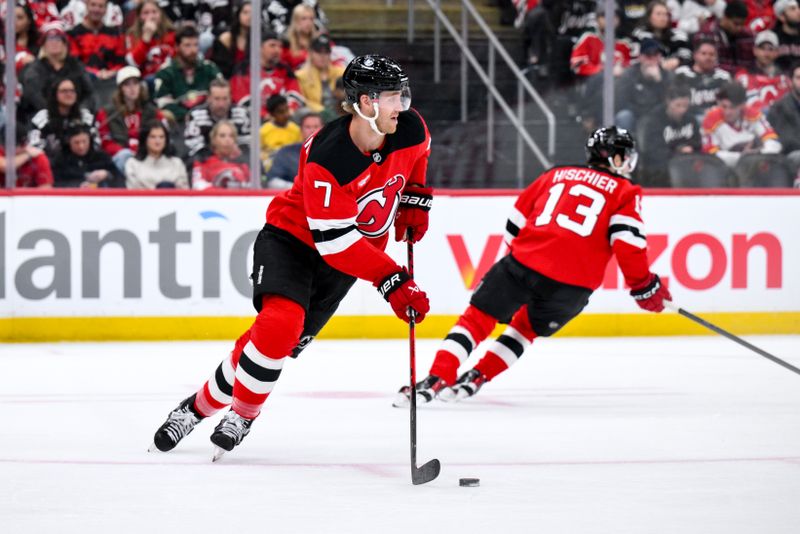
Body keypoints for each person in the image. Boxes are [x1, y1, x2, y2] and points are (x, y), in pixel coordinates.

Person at [150, 54, 433, 457]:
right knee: (281, 324)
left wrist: (415, 200)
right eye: (392, 97)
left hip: (349, 261)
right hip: (295, 241)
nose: (402, 105)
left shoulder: (408, 127)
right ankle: (244, 414)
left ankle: (193, 409)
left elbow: (421, 153)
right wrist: (392, 279)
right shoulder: (327, 156)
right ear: (367, 103)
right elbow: (336, 243)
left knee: (270, 343)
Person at [395, 126, 671, 406]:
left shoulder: (554, 175)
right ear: (612, 156)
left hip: (524, 263)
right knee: (525, 330)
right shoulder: (625, 191)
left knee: (477, 319)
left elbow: (516, 219)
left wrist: (518, 260)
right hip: (574, 287)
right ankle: (479, 376)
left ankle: (437, 376)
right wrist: (643, 285)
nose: (628, 163)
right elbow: (628, 242)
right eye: (624, 155)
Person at [96, 66, 166, 174]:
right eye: (127, 84)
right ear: (120, 89)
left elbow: (164, 133)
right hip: (122, 158)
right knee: (125, 156)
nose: (132, 88)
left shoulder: (151, 111)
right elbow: (105, 141)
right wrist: (126, 152)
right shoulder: (108, 113)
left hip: (148, 155)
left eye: (135, 83)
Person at [19, 21, 95, 120]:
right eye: (50, 39)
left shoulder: (76, 65)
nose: (54, 42)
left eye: (58, 39)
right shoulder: (34, 69)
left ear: (65, 44)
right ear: (44, 44)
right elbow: (34, 97)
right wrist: (56, 113)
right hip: (43, 116)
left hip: (75, 114)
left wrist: (81, 111)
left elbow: (89, 93)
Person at [701, 81, 782, 167]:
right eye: (724, 106)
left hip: (756, 164)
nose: (727, 112)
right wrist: (744, 157)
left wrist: (760, 154)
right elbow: (711, 155)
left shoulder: (753, 114)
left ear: (742, 105)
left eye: (732, 107)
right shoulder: (711, 118)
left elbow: (773, 141)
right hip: (725, 168)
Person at [154, 24, 222, 123]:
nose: (193, 50)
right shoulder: (166, 72)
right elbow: (163, 104)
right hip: (180, 124)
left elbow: (222, 93)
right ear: (177, 47)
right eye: (187, 45)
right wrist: (190, 116)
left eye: (195, 45)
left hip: (209, 120)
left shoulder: (210, 68)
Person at [229, 30, 305, 119]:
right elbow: (242, 99)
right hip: (254, 119)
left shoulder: (285, 69)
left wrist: (289, 110)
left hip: (284, 117)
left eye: (279, 46)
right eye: (272, 45)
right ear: (260, 47)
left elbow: (294, 92)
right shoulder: (243, 69)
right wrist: (265, 115)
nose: (277, 50)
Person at [639, 82, 701, 186]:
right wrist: (678, 152)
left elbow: (697, 144)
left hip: (687, 166)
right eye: (678, 105)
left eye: (685, 106)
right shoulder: (654, 120)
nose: (682, 110)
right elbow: (653, 152)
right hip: (661, 170)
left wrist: (689, 149)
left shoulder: (691, 120)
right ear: (668, 102)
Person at [67, 0, 127, 107]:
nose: (96, 9)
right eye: (93, 5)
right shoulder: (74, 33)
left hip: (111, 79)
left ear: (106, 9)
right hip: (85, 80)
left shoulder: (115, 33)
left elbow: (121, 61)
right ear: (86, 6)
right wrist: (95, 73)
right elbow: (75, 62)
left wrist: (111, 72)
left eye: (101, 6)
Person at [28, 77, 98, 162]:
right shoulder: (42, 118)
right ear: (55, 94)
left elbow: (96, 143)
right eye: (64, 91)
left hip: (84, 162)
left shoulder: (86, 117)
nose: (69, 94)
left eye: (72, 91)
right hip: (52, 165)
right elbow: (34, 147)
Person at [184, 78, 251, 167]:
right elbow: (193, 146)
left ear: (231, 98)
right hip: (206, 161)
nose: (221, 104)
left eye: (225, 99)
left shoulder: (242, 114)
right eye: (217, 99)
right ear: (209, 98)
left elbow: (247, 145)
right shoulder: (196, 115)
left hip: (237, 160)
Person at [614, 38, 674, 132]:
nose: (653, 60)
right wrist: (643, 112)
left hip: (660, 117)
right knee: (624, 116)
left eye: (657, 55)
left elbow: (671, 103)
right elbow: (621, 102)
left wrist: (658, 81)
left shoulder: (667, 75)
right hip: (636, 115)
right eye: (649, 55)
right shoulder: (630, 74)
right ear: (641, 57)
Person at [675, 39, 733, 121]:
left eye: (712, 54)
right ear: (695, 55)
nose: (708, 57)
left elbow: (729, 104)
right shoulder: (682, 74)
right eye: (703, 53)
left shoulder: (723, 77)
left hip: (716, 121)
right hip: (688, 119)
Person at [264, 110, 323, 189]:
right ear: (301, 131)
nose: (312, 130)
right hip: (295, 198)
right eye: (308, 127)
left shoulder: (334, 153)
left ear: (323, 130)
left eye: (316, 127)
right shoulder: (286, 153)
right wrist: (297, 189)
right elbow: (273, 181)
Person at [693, 1, 755, 75]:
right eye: (736, 24)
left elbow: (753, 63)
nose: (739, 28)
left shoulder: (748, 36)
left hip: (746, 79)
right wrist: (738, 71)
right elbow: (707, 64)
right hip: (714, 78)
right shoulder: (707, 34)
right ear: (725, 18)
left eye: (742, 24)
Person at [735, 31, 792, 112]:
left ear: (777, 52)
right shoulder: (742, 76)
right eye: (762, 48)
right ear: (755, 50)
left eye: (770, 49)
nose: (766, 53)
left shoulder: (784, 79)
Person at [52, 124, 124, 188]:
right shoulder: (61, 160)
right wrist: (78, 185)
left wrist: (107, 174)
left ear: (89, 140)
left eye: (84, 141)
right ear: (69, 142)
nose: (81, 146)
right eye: (76, 143)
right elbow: (55, 183)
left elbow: (120, 180)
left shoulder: (101, 157)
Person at [125, 121, 188, 189]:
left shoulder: (177, 163)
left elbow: (183, 190)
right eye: (153, 137)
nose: (158, 141)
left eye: (161, 137)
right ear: (145, 139)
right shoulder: (132, 164)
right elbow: (133, 192)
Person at [191, 120, 252, 190]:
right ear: (214, 140)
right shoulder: (202, 161)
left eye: (231, 136)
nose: (227, 140)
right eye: (222, 136)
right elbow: (198, 186)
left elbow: (255, 188)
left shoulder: (243, 165)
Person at [630, 0, 691, 70]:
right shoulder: (639, 34)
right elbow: (634, 60)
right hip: (646, 72)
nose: (663, 18)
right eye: (658, 14)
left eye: (666, 14)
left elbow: (687, 56)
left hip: (673, 74)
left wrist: (678, 61)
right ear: (649, 16)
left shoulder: (678, 36)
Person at [125, 0, 176, 80]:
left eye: (154, 12)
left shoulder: (171, 33)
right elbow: (132, 63)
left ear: (161, 14)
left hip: (170, 77)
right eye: (146, 13)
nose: (151, 16)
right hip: (144, 81)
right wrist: (146, 38)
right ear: (139, 16)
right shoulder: (131, 35)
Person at [767, 62, 800, 184]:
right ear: (790, 82)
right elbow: (786, 140)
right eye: (798, 78)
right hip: (789, 155)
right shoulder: (780, 107)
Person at [295, 34, 346, 113]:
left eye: (326, 52)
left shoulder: (341, 72)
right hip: (315, 114)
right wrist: (322, 111)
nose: (323, 56)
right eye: (319, 52)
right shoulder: (301, 76)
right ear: (311, 53)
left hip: (339, 112)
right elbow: (302, 100)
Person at [207, 0, 251, 79]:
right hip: (230, 79)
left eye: (252, 13)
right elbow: (220, 67)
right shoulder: (226, 38)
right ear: (238, 14)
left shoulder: (261, 40)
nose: (249, 16)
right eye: (245, 12)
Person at [259, 94, 302, 169]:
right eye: (281, 112)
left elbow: (298, 152)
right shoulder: (263, 131)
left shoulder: (296, 129)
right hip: (271, 167)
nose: (286, 115)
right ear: (272, 114)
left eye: (287, 110)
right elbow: (259, 153)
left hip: (291, 167)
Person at [774, 0, 800, 73]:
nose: (798, 12)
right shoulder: (773, 37)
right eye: (792, 9)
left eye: (798, 8)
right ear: (782, 16)